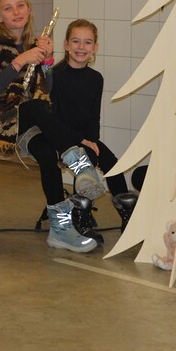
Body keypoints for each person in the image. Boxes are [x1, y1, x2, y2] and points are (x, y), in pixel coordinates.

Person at [0, 0, 104, 254]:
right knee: (35, 106)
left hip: (24, 121)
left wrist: (47, 62)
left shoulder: (34, 43)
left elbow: (47, 88)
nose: (16, 12)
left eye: (21, 5)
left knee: (45, 152)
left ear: (29, 10)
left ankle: (60, 230)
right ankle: (80, 164)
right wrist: (21, 60)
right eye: (8, 8)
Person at [48, 18, 136, 242]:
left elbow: (93, 116)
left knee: (112, 163)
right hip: (61, 138)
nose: (81, 47)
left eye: (87, 42)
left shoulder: (96, 79)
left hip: (85, 138)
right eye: (75, 41)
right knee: (86, 161)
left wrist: (93, 140)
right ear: (66, 44)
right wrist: (82, 142)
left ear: (95, 47)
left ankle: (128, 217)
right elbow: (54, 119)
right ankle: (81, 217)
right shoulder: (55, 76)